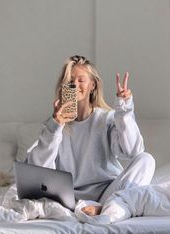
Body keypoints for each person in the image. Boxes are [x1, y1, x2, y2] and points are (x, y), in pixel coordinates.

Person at [26, 55, 155, 216]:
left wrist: (124, 110)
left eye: (81, 80)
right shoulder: (54, 124)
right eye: (70, 80)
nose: (75, 84)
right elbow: (37, 167)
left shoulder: (106, 118)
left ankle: (108, 207)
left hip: (109, 194)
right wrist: (55, 126)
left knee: (146, 159)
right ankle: (104, 208)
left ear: (92, 85)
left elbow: (132, 151)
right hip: (70, 199)